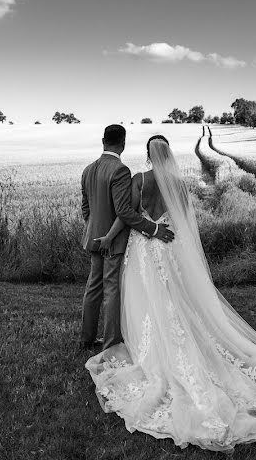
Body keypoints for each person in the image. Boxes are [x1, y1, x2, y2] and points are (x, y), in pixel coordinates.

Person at [84, 135, 256, 452]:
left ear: (147, 155)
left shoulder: (140, 179)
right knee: (178, 298)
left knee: (148, 300)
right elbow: (183, 224)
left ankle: (149, 347)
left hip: (145, 248)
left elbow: (128, 216)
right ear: (168, 156)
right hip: (170, 249)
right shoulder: (180, 185)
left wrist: (125, 233)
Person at [79, 125, 175, 352]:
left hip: (93, 238)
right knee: (111, 289)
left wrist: (95, 231)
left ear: (103, 141)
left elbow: (86, 208)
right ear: (123, 143)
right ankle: (111, 343)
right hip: (112, 240)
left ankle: (86, 338)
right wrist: (153, 229)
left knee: (93, 287)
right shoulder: (120, 170)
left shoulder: (88, 170)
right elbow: (124, 211)